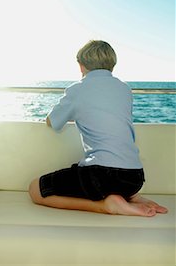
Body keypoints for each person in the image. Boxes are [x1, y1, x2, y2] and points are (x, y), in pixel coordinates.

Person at [29, 40, 168, 217]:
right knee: (108, 180)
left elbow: (53, 122)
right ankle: (131, 197)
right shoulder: (124, 88)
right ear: (112, 65)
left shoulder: (78, 89)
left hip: (101, 177)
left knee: (35, 189)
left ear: (81, 66)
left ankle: (106, 205)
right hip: (135, 178)